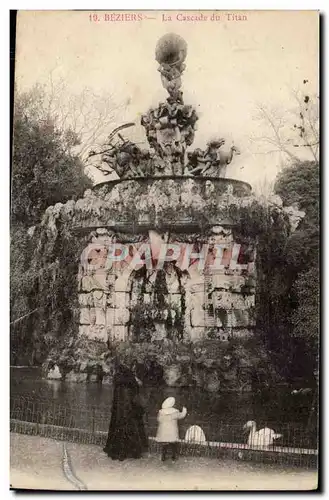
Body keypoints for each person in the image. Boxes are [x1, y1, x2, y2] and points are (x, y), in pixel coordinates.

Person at [103, 358, 148, 461]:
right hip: (129, 409)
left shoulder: (118, 379)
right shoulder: (131, 380)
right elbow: (136, 393)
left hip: (119, 410)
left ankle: (117, 452)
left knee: (117, 429)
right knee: (130, 430)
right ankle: (130, 452)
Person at [156, 396, 187, 462]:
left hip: (164, 431)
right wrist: (184, 410)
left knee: (164, 445)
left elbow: (158, 419)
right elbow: (181, 416)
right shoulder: (175, 412)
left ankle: (163, 457)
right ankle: (173, 457)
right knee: (173, 444)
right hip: (172, 431)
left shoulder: (161, 412)